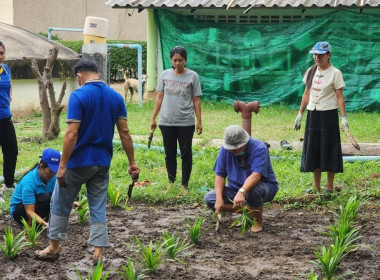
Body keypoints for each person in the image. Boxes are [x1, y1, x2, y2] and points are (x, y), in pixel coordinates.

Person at [37, 58, 140, 263]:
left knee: (60, 202)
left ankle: (53, 247)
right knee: (98, 206)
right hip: (102, 162)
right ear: (97, 74)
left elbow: (71, 134)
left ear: (79, 75)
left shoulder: (78, 95)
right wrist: (132, 162)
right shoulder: (115, 97)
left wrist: (63, 165)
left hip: (78, 162)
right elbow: (125, 132)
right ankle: (98, 252)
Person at [293, 42, 347, 194]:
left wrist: (344, 118)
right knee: (314, 148)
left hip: (328, 115)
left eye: (321, 54)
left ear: (328, 55)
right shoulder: (311, 71)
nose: (317, 57)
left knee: (330, 147)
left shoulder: (336, 73)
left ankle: (329, 186)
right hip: (313, 114)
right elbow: (306, 93)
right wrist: (300, 113)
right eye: (315, 54)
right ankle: (316, 186)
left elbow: (340, 97)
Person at [204, 125, 278, 232]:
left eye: (236, 148)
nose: (233, 151)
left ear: (244, 142)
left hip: (263, 187)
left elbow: (256, 175)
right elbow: (220, 174)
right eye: (231, 148)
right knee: (210, 199)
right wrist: (219, 198)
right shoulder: (225, 150)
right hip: (235, 188)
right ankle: (251, 212)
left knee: (252, 192)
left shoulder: (259, 148)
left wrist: (242, 192)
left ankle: (258, 220)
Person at [150, 46, 202, 194]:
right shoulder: (165, 75)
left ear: (185, 60)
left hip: (186, 122)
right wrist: (153, 117)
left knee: (186, 154)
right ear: (171, 60)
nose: (177, 63)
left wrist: (199, 121)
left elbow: (196, 100)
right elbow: (159, 97)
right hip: (166, 122)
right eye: (175, 60)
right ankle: (171, 183)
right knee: (170, 154)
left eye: (180, 60)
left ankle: (184, 185)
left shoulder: (193, 76)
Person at [10, 148, 61, 227]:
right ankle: (30, 226)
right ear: (41, 166)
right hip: (20, 211)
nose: (53, 174)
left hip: (38, 205)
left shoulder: (53, 178)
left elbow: (56, 197)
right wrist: (45, 224)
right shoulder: (29, 182)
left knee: (51, 197)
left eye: (55, 171)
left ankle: (41, 220)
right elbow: (29, 211)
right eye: (51, 171)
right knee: (45, 198)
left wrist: (70, 204)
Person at [0, 41, 18, 203]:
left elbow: (9, 85)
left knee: (11, 151)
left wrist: (9, 98)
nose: (0, 56)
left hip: (5, 118)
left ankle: (9, 184)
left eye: (2, 52)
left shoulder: (5, 69)